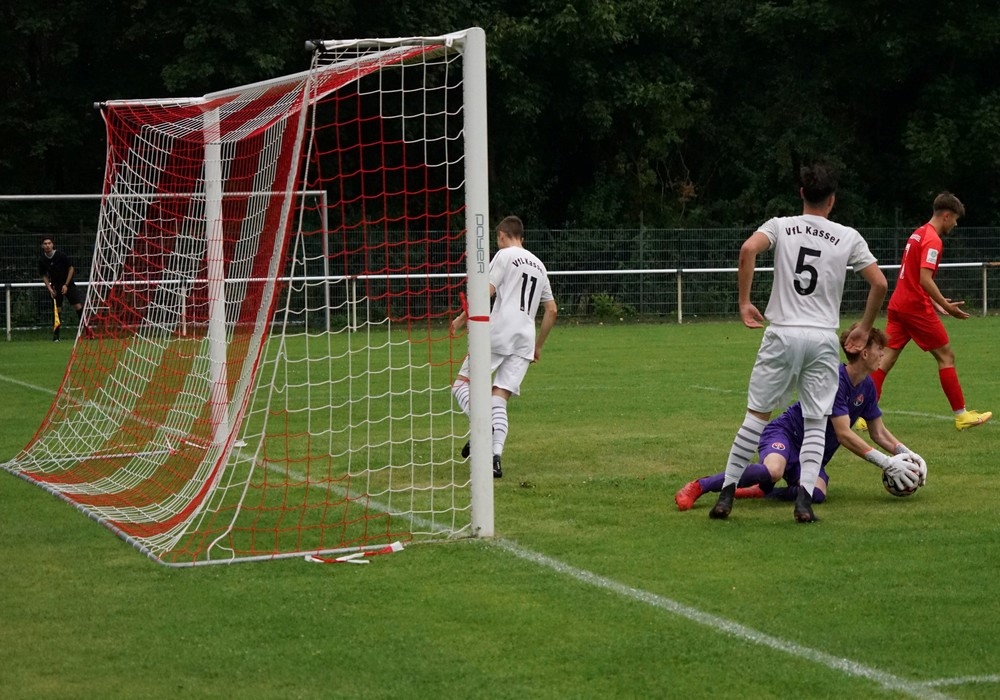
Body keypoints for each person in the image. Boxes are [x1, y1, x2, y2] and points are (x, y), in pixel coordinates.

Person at [709, 162, 888, 523]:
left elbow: (748, 249)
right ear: (832, 200)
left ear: (802, 193)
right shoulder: (848, 236)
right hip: (821, 337)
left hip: (783, 332)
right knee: (817, 421)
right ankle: (803, 503)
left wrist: (744, 302)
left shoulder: (780, 225)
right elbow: (880, 283)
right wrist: (864, 328)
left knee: (756, 417)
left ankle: (726, 496)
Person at [676, 325, 926, 510]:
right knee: (773, 471)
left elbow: (878, 432)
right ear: (864, 353)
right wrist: (886, 462)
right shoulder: (835, 379)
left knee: (817, 494)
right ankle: (701, 485)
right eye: (879, 349)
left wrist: (908, 453)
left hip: (811, 452)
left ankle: (760, 492)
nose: (883, 354)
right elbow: (843, 434)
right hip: (786, 433)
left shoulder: (867, 386)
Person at [868, 192, 991, 431]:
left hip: (899, 304)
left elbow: (912, 275)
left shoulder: (918, 233)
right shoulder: (933, 240)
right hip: (915, 308)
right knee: (946, 356)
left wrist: (935, 302)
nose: (955, 224)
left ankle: (863, 412)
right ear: (946, 215)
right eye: (955, 219)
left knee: (885, 360)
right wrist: (946, 305)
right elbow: (924, 279)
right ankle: (961, 415)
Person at [451, 215, 558, 478]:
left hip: (499, 332)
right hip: (525, 339)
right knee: (498, 398)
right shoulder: (540, 265)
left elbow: (485, 292)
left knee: (461, 385)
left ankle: (483, 427)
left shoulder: (504, 255)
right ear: (522, 236)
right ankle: (495, 458)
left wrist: (462, 318)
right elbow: (552, 310)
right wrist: (538, 346)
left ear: (501, 235)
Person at [39, 236, 91, 342]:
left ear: (53, 245)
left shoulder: (61, 255)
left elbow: (71, 268)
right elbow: (43, 275)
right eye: (45, 244)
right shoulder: (42, 259)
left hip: (68, 284)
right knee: (57, 310)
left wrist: (66, 284)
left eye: (49, 243)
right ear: (42, 246)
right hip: (56, 286)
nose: (47, 245)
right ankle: (56, 336)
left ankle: (88, 332)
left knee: (78, 306)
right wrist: (49, 288)